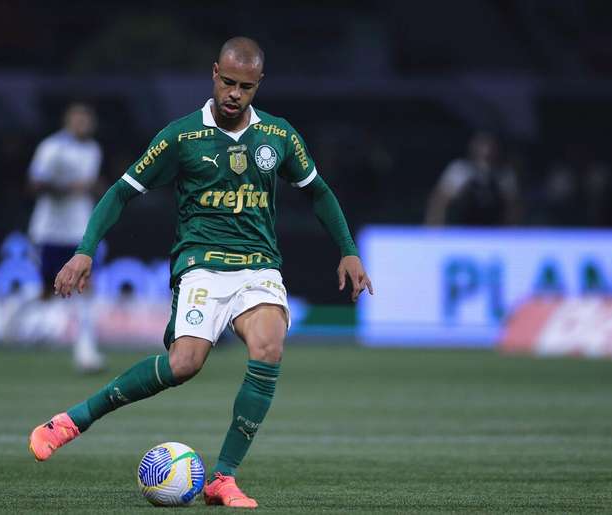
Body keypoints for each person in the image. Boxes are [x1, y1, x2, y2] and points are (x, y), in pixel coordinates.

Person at [28, 37, 373, 509]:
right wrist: (85, 251)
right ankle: (72, 420)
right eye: (227, 82)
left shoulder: (279, 136)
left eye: (245, 86)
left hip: (258, 266)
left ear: (258, 85)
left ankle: (222, 478)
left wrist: (348, 251)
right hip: (201, 266)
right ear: (214, 74)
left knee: (269, 347)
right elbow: (120, 192)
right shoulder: (181, 137)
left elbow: (319, 192)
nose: (234, 93)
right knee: (183, 365)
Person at [27, 102, 104, 372]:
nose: (83, 124)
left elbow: (89, 184)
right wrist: (63, 186)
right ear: (67, 121)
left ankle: (86, 351)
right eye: (78, 119)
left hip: (79, 229)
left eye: (87, 119)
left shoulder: (93, 149)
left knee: (85, 286)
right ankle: (26, 326)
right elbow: (35, 183)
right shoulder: (52, 148)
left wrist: (85, 188)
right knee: (47, 291)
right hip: (49, 229)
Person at [424, 131, 519, 226]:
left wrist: (510, 232)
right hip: (464, 229)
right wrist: (434, 232)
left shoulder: (504, 173)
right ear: (473, 148)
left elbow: (513, 206)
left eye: (490, 148)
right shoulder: (459, 169)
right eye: (481, 147)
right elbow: (439, 202)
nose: (486, 151)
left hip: (495, 230)